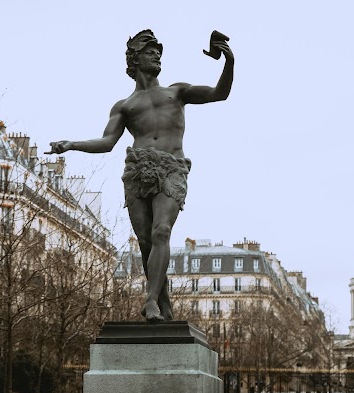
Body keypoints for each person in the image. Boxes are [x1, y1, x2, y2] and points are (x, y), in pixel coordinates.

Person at [48, 30, 234, 321]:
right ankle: (163, 303)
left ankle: (150, 301)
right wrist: (71, 144)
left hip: (171, 168)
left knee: (161, 231)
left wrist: (229, 61)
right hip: (137, 171)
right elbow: (107, 143)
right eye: (150, 51)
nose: (157, 55)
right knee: (146, 242)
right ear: (135, 59)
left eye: (158, 51)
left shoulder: (177, 92)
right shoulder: (124, 106)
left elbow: (218, 93)